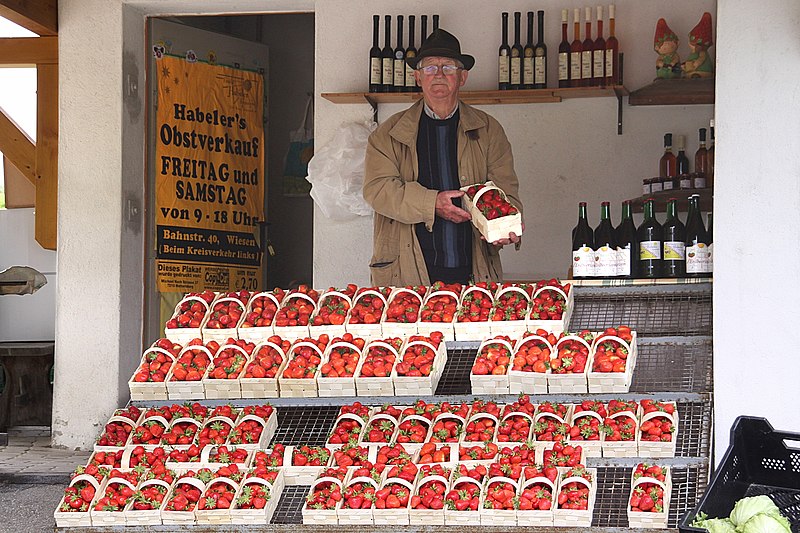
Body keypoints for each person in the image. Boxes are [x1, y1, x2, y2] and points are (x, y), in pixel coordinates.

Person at [363, 28, 523, 286]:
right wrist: (432, 203)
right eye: (429, 68)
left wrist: (507, 224)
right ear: (417, 77)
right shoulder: (388, 135)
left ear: (463, 77)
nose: (438, 74)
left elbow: (505, 191)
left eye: (448, 67)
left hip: (474, 270)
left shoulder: (489, 130)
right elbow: (378, 191)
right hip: (406, 271)